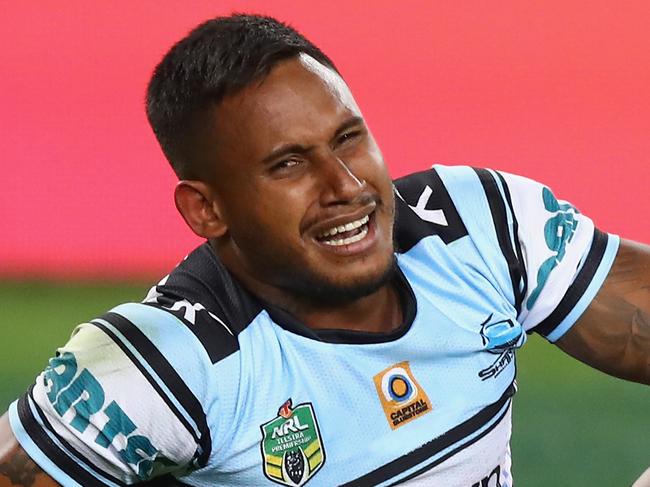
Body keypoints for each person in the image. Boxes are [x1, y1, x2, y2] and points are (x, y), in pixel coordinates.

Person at [0, 13, 648, 487]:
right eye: (288, 164)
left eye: (348, 138)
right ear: (208, 209)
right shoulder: (169, 362)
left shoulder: (479, 225)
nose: (347, 185)